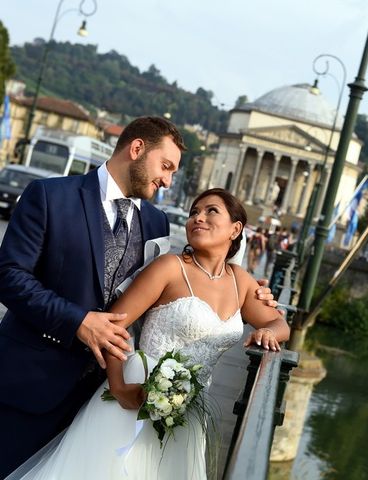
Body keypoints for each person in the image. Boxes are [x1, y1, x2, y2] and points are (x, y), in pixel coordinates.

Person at [0, 117, 275, 477]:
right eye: (166, 166)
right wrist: (78, 322)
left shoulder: (157, 222)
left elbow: (172, 291)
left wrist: (259, 295)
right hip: (31, 382)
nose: (168, 180)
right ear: (136, 149)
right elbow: (9, 276)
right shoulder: (50, 196)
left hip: (105, 399)